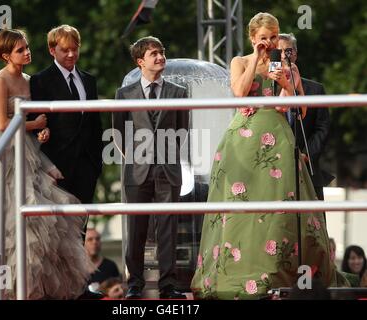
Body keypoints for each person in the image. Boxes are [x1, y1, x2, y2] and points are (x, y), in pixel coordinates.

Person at [191, 12, 338, 299]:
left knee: (279, 206)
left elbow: (299, 109)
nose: (269, 42)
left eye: (273, 37)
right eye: (263, 38)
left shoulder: (286, 67)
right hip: (242, 140)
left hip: (277, 138)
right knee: (240, 205)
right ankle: (235, 270)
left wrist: (284, 82)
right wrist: (256, 62)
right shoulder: (239, 62)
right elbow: (239, 92)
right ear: (252, 38)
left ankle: (278, 270)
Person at [0, 29, 95, 299]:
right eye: (20, 49)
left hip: (30, 150)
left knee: (41, 219)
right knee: (6, 218)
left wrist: (40, 132)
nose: (27, 52)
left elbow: (35, 121)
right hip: (4, 152)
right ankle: (3, 287)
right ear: (5, 55)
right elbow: (1, 123)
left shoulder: (29, 79)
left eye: (26, 47)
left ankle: (34, 287)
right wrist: (35, 124)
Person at [113, 36, 189, 299]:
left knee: (167, 229)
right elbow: (118, 133)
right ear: (140, 61)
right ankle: (134, 283)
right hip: (137, 171)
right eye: (154, 54)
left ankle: (169, 285)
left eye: (162, 52)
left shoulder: (179, 92)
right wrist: (136, 160)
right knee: (136, 229)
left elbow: (182, 131)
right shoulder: (124, 94)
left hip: (168, 170)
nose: (160, 57)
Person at [30, 25, 103, 204]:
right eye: (65, 50)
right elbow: (35, 120)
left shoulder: (89, 80)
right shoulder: (40, 80)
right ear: (52, 50)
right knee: (58, 226)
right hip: (57, 164)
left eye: (74, 49)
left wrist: (96, 164)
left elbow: (95, 123)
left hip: (88, 165)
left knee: (83, 220)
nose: (71, 54)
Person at [278, 33, 333, 200]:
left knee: (313, 224)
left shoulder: (315, 90)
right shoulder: (265, 90)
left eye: (287, 51)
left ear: (295, 54)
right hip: (273, 170)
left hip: (308, 169)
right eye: (277, 52)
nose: (282, 56)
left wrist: (305, 155)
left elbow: (322, 128)